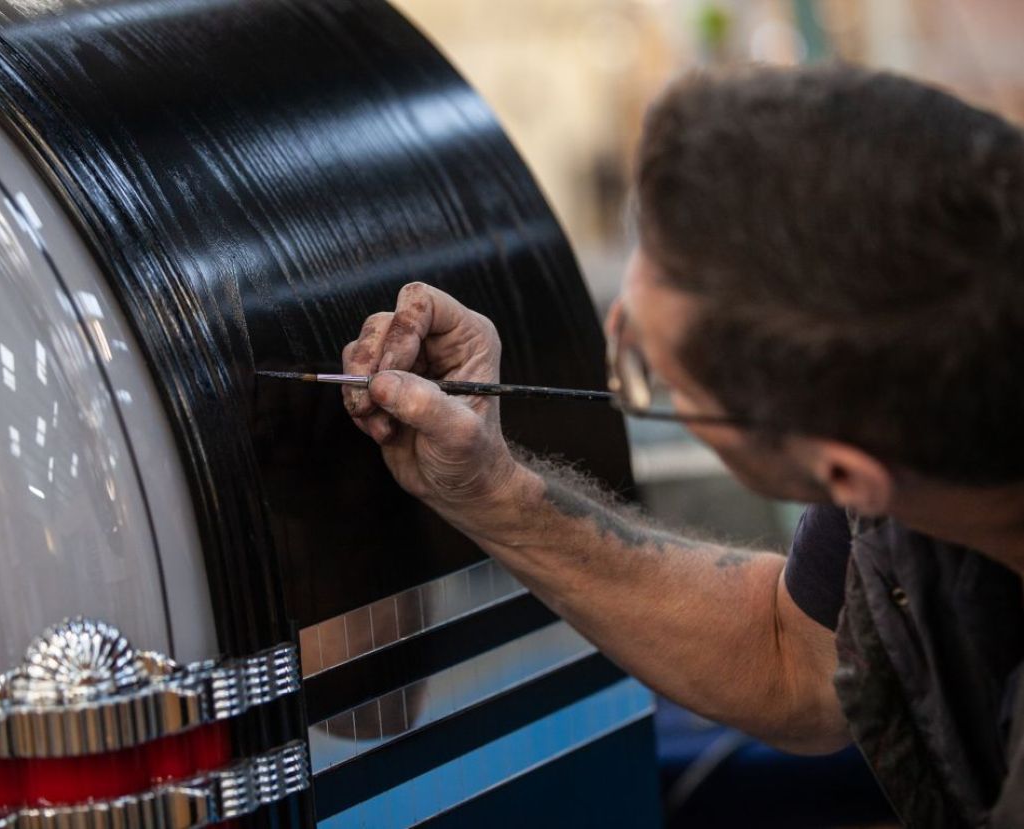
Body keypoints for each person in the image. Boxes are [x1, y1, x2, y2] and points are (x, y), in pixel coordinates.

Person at [340, 63, 1024, 828]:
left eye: (648, 374)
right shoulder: (922, 399)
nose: (617, 351)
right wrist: (487, 487)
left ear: (843, 474)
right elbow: (791, 655)